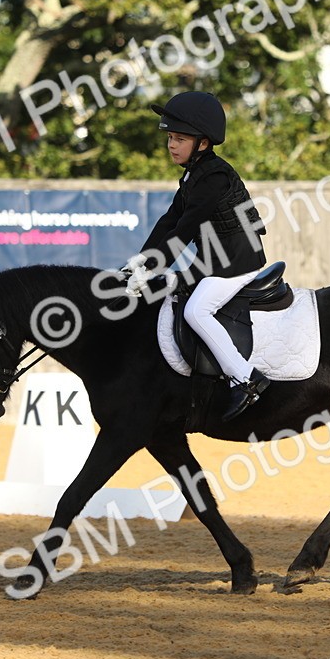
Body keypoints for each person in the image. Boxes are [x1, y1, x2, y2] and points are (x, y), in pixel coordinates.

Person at [123, 91, 270, 421]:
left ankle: (245, 379)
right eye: (170, 138)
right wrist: (143, 260)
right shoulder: (194, 174)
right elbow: (170, 220)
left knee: (196, 311)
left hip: (238, 260)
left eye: (180, 139)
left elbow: (186, 229)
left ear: (203, 143)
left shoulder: (214, 176)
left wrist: (155, 266)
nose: (171, 145)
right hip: (215, 259)